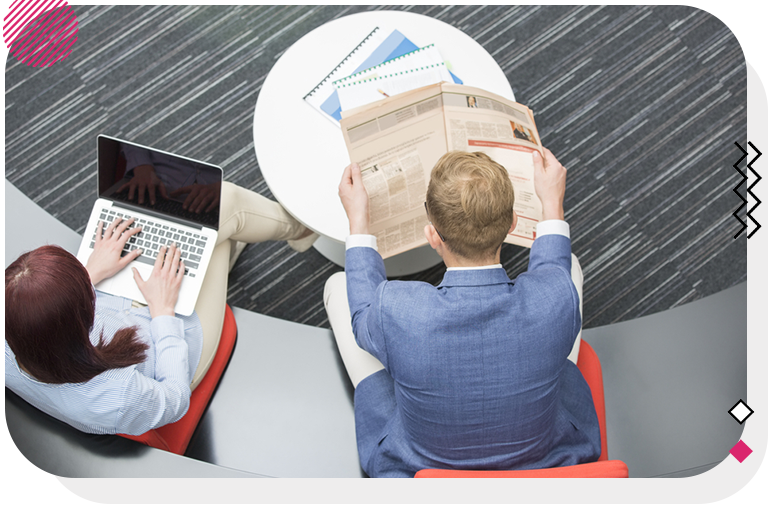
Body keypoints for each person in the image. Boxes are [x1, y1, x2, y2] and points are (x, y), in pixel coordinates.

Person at [323, 149, 600, 477]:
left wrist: (358, 222)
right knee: (569, 272)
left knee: (340, 286)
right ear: (512, 223)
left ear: (432, 236)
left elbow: (363, 318)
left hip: (419, 467)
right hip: (547, 463)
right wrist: (552, 203)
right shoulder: (554, 299)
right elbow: (553, 272)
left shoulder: (397, 309)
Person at [3, 182, 317, 436]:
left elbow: (49, 322)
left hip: (127, 307)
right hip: (174, 344)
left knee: (192, 226)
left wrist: (91, 271)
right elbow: (175, 399)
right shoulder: (118, 396)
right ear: (81, 317)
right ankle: (304, 230)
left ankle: (224, 253)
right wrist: (164, 312)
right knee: (224, 208)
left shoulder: (22, 326)